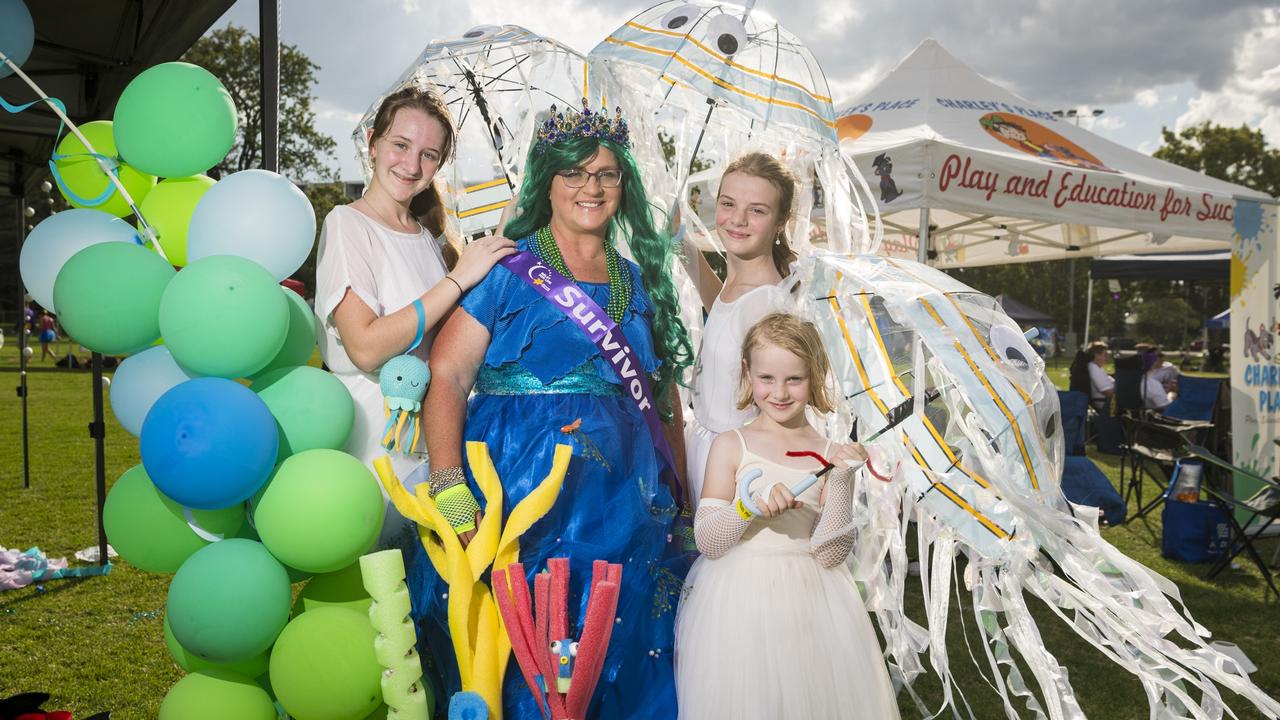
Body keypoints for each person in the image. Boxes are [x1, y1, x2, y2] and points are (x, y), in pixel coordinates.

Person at [412, 103, 694, 719]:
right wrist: (448, 484)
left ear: (625, 187)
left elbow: (662, 394)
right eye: (574, 173)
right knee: (525, 635)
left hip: (623, 491)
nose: (590, 188)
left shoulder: (638, 279)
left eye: (607, 175)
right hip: (519, 485)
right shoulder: (505, 267)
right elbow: (449, 377)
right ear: (549, 182)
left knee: (615, 636)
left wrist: (685, 491)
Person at [314, 86, 516, 548]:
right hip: (374, 446)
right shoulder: (348, 223)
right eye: (400, 145)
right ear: (372, 142)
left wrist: (503, 241)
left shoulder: (425, 238)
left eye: (428, 154)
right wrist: (458, 280)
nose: (411, 165)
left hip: (431, 443)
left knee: (423, 600)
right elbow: (365, 345)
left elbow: (448, 342)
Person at [675, 313, 900, 719]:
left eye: (794, 380)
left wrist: (844, 479)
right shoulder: (731, 445)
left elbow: (830, 554)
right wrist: (748, 509)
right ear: (748, 373)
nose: (779, 392)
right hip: (738, 603)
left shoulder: (832, 455)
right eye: (767, 378)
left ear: (815, 377)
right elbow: (709, 541)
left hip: (812, 603)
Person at [682, 152, 795, 503]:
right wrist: (679, 243)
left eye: (757, 210)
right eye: (728, 204)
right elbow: (723, 309)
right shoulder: (742, 288)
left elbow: (780, 404)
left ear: (780, 221)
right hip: (703, 448)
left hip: (738, 468)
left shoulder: (767, 306)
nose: (738, 220)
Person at [1083, 342, 1113, 413]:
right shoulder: (1094, 369)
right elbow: (1108, 392)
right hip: (1105, 404)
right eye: (1105, 354)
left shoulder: (1097, 367)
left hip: (1108, 401)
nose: (1107, 357)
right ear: (1096, 355)